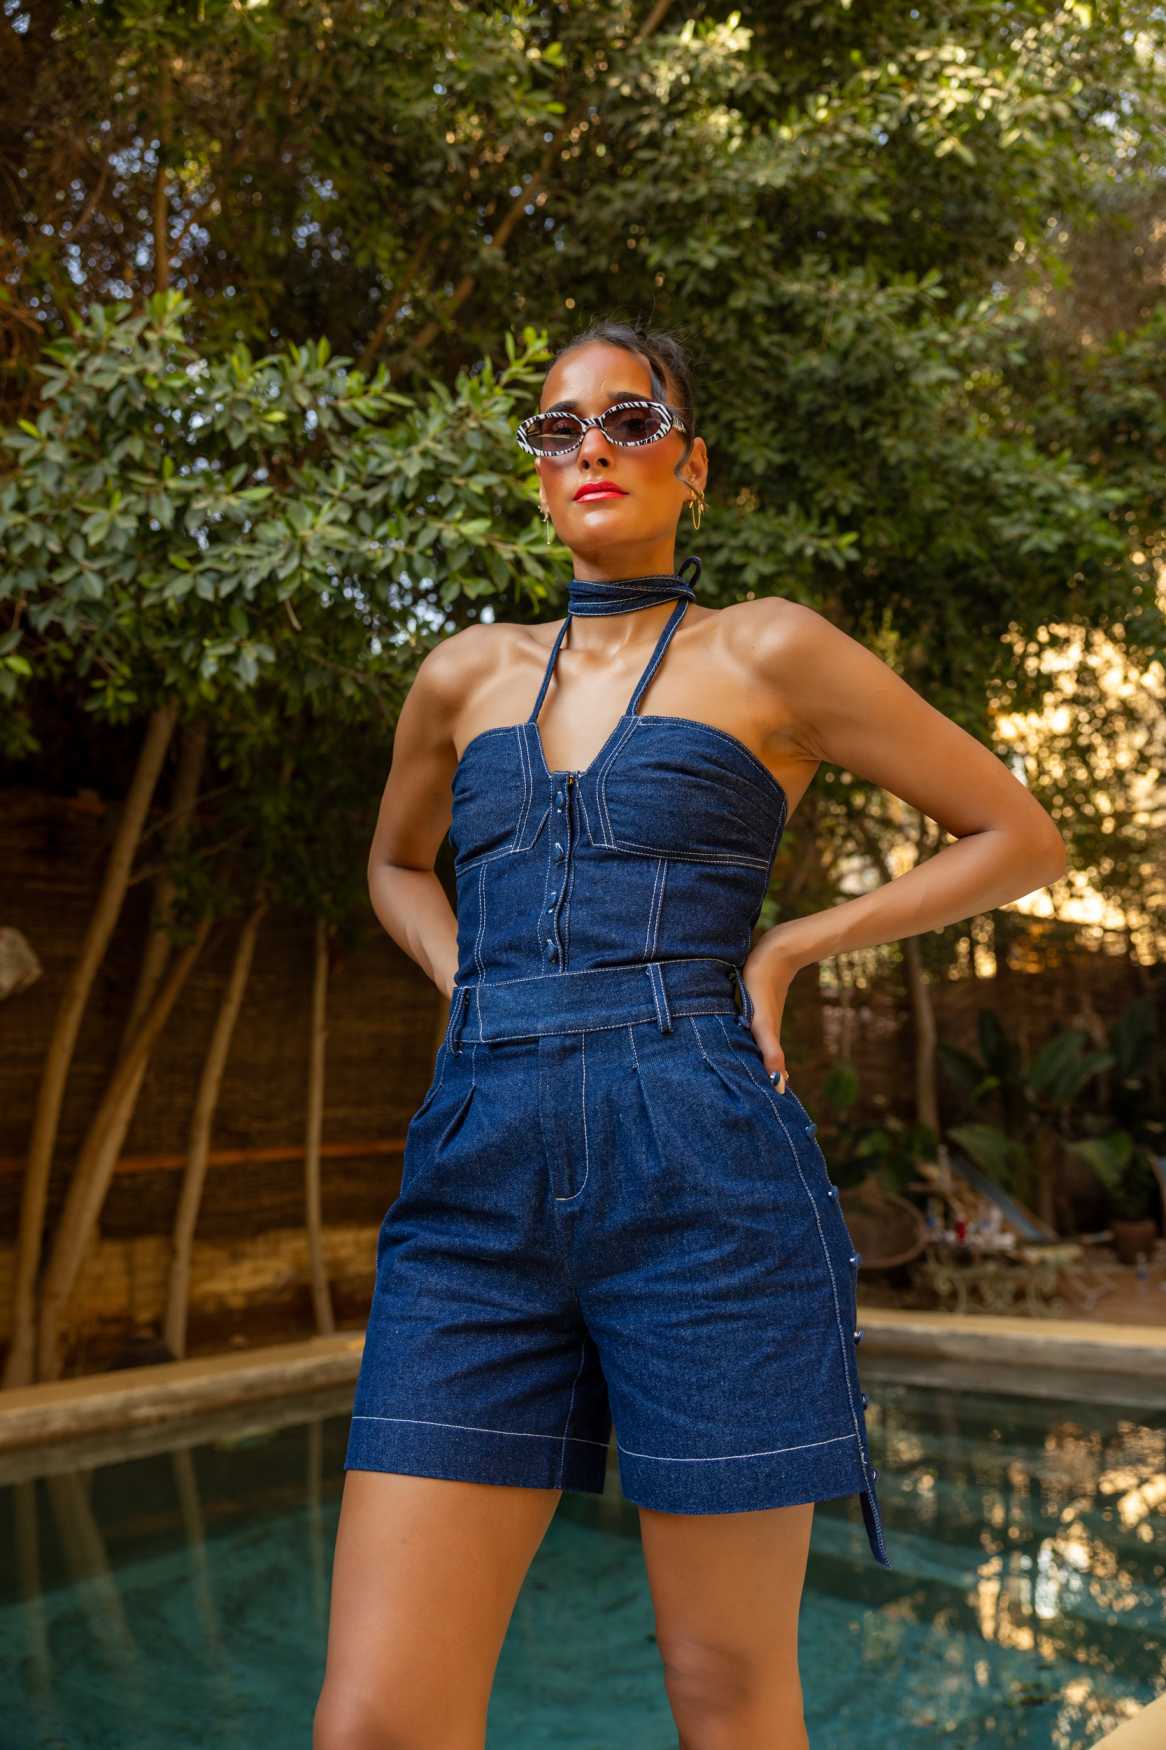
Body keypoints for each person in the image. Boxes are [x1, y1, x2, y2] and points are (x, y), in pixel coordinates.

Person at [314, 321, 1068, 1749]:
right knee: (371, 1722)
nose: (589, 444)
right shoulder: (461, 675)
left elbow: (1016, 834)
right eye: (557, 428)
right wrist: (471, 981)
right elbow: (394, 865)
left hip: (703, 1173)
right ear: (537, 470)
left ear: (691, 462)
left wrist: (790, 944)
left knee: (724, 1700)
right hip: (476, 1184)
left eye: (629, 417)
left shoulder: (770, 648)